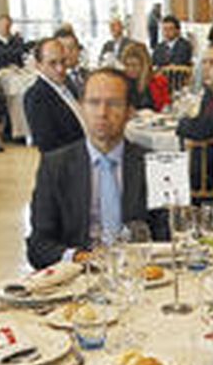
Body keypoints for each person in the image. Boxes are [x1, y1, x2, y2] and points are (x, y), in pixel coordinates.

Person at [27, 69, 170, 269]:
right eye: (94, 103)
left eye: (114, 104)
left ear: (130, 112)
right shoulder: (55, 166)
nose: (102, 113)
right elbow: (38, 246)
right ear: (82, 107)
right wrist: (80, 258)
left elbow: (169, 236)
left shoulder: (154, 163)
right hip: (79, 277)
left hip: (141, 275)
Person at [21, 37, 84, 156]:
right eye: (52, 63)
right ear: (38, 65)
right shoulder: (36, 96)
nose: (60, 69)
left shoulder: (67, 85)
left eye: (63, 61)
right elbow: (49, 148)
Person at [120, 42, 170, 112]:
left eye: (134, 65)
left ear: (144, 65)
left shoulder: (157, 82)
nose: (130, 69)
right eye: (127, 65)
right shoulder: (122, 83)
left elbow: (166, 106)